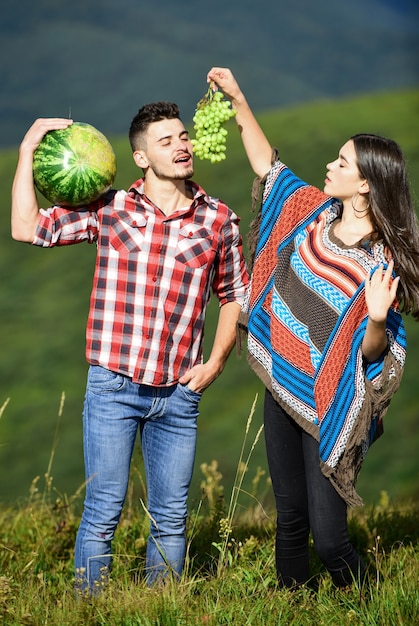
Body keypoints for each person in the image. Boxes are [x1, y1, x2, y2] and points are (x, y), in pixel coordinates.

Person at [11, 103, 249, 592]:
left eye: (183, 137)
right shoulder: (111, 208)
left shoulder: (219, 219)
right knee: (102, 512)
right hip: (112, 387)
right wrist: (27, 149)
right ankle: (91, 608)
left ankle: (159, 610)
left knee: (171, 516)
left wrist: (215, 364)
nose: (182, 146)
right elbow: (26, 227)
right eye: (166, 141)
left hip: (178, 394)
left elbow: (234, 297)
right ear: (141, 157)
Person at [207, 67, 419, 589]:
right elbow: (268, 165)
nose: (330, 164)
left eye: (341, 161)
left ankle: (368, 603)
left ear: (365, 182)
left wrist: (373, 317)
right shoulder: (313, 214)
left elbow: (371, 356)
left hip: (332, 406)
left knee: (329, 538)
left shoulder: (380, 263)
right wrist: (237, 99)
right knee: (289, 518)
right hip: (284, 384)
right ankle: (290, 605)